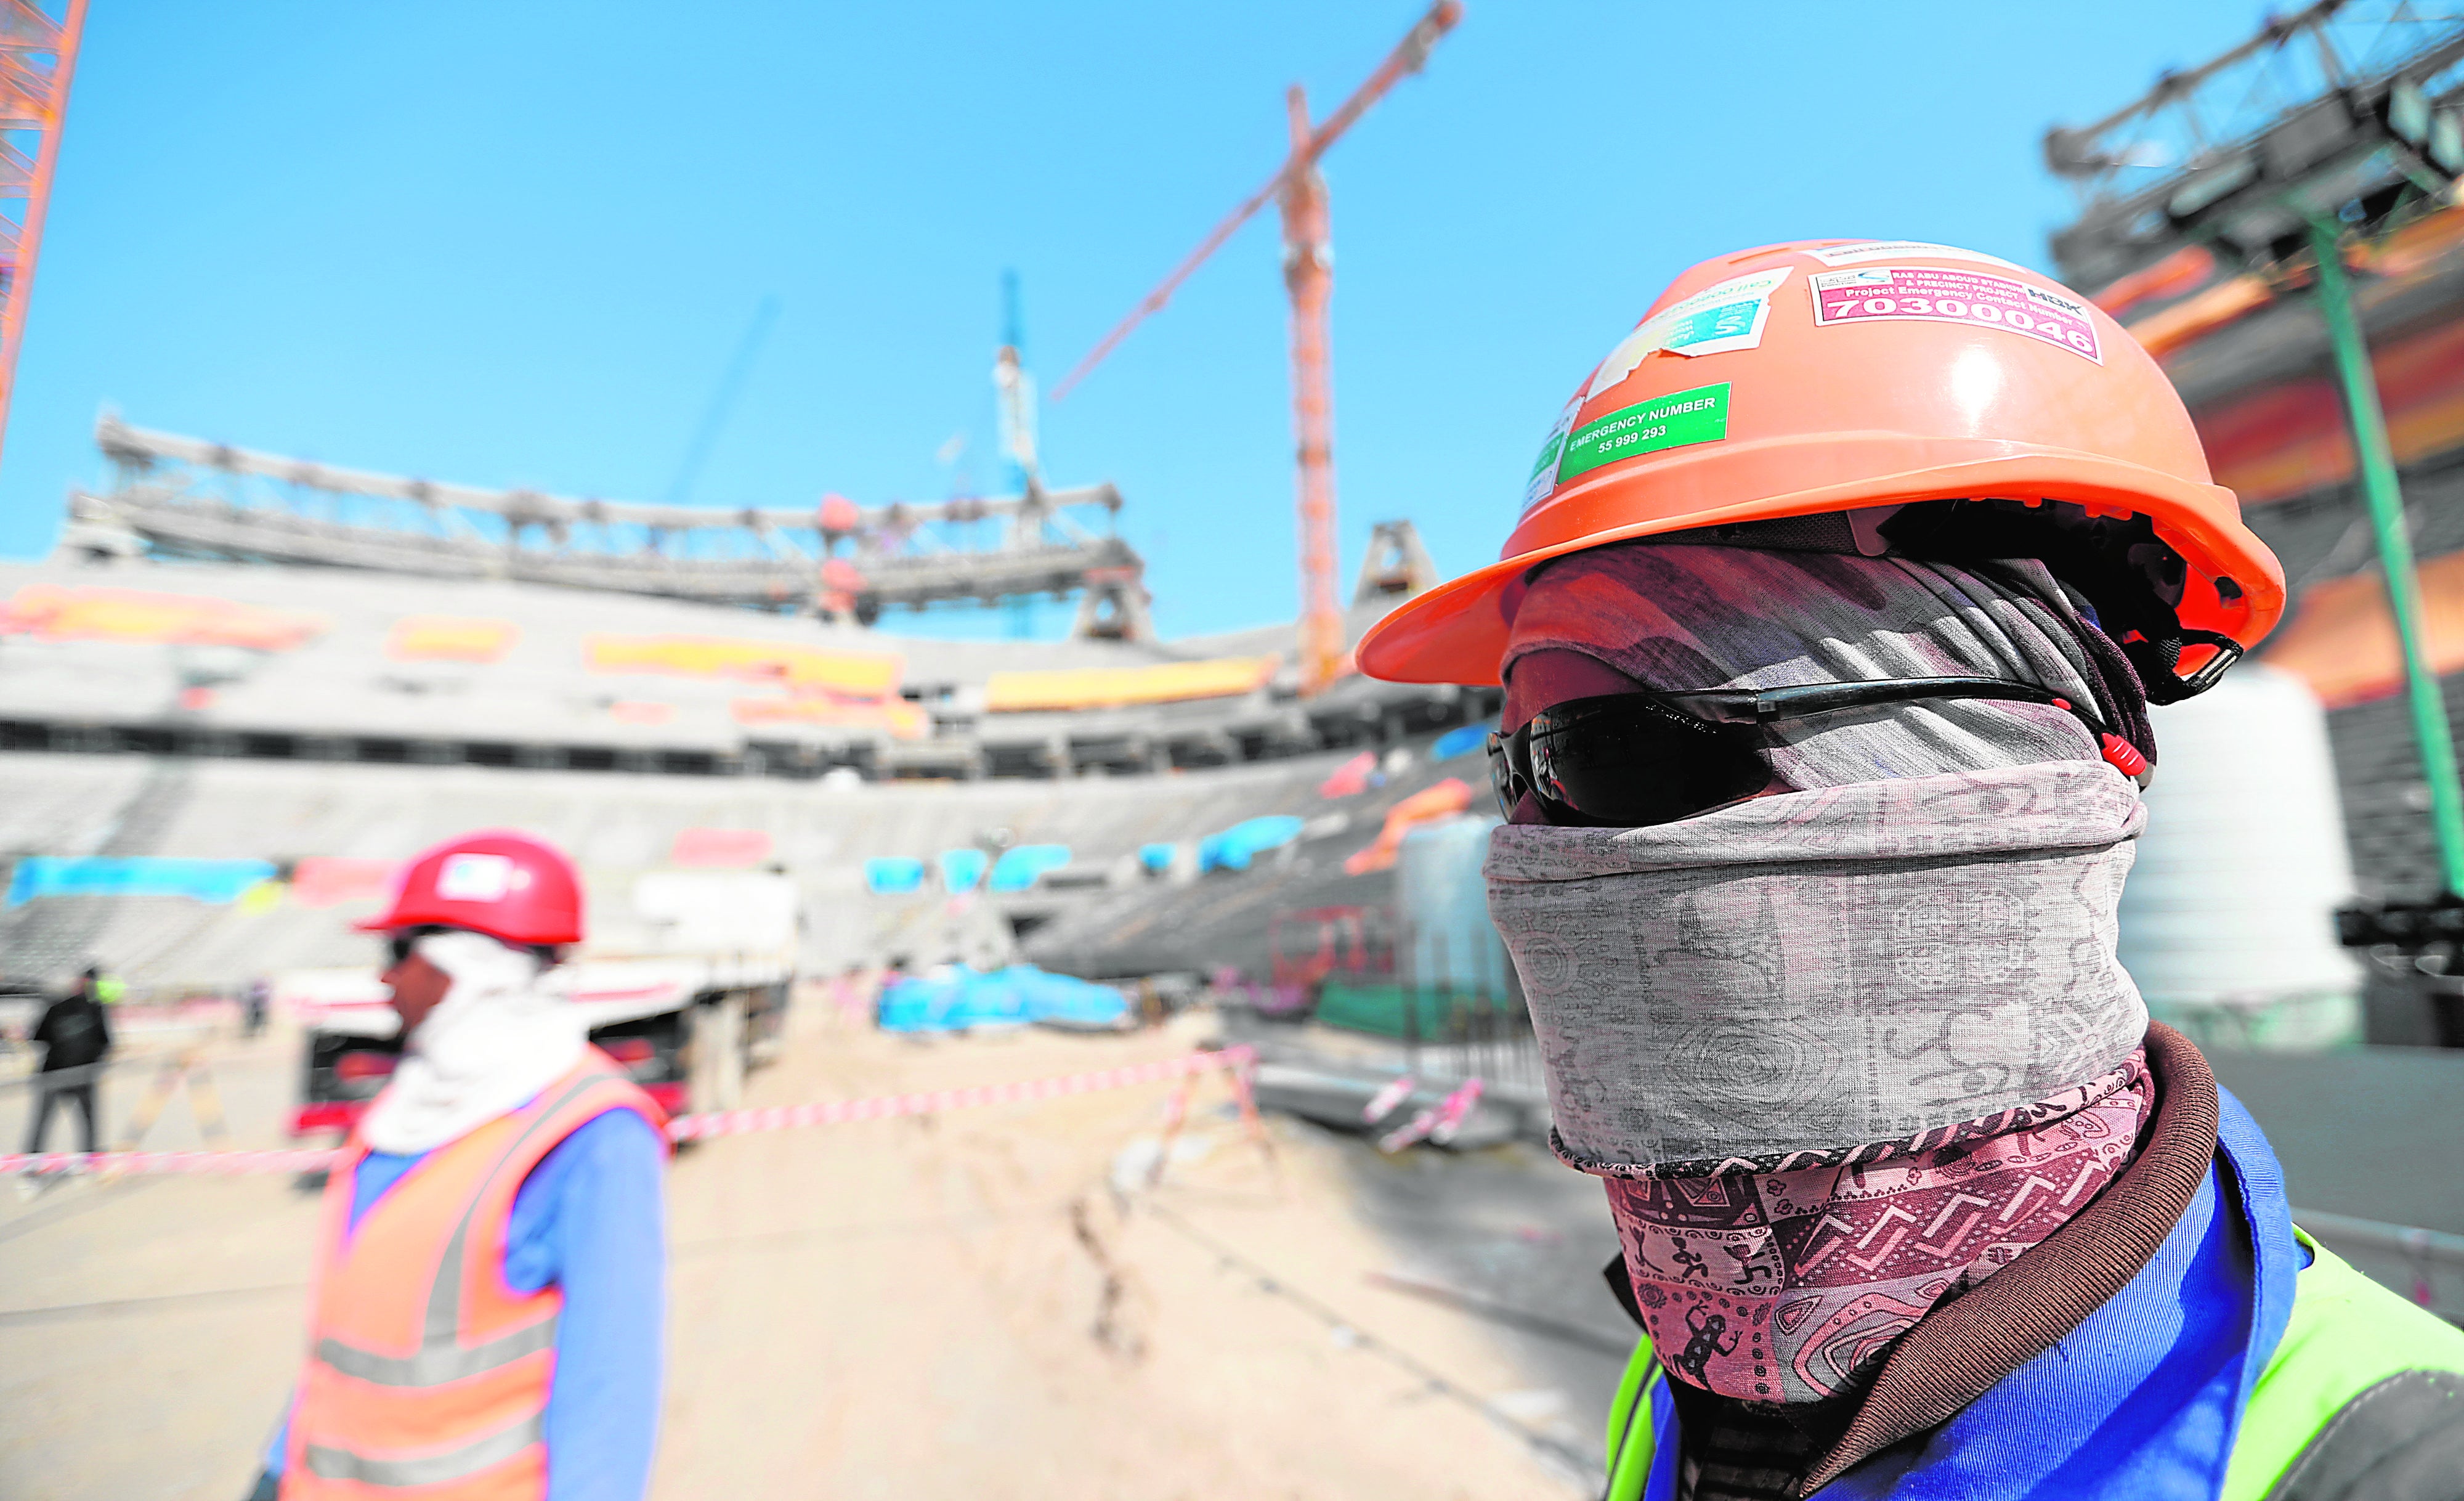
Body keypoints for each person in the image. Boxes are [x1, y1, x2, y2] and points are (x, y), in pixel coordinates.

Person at [1356, 240, 2464, 1499]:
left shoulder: (2389, 1461)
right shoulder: (1698, 1379)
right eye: (1520, 778)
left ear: (2003, 773)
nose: (1531, 857)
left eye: (1612, 755)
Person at [248, 830, 669, 1501]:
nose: (384, 977)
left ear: (468, 967)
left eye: (398, 953)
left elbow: (610, 1385)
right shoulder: (406, 1109)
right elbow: (352, 1335)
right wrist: (275, 1470)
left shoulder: (594, 1135)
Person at [23, 966, 113, 1157]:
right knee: (86, 1122)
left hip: (57, 1073)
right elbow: (106, 1042)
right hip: (77, 1075)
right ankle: (87, 1161)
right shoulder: (96, 1009)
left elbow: (37, 1036)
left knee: (43, 1124)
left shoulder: (56, 1007)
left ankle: (31, 1169)